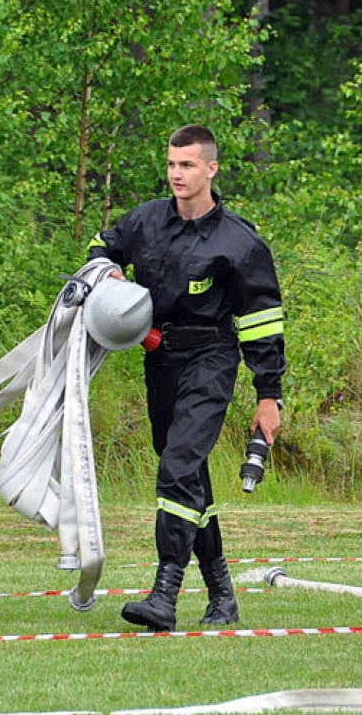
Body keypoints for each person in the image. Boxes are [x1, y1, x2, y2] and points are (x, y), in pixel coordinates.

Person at [86, 124, 286, 631]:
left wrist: (269, 396)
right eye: (172, 164)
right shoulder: (146, 221)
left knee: (177, 469)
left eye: (188, 165)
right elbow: (101, 246)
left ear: (211, 169)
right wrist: (106, 269)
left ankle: (165, 594)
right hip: (159, 360)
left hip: (211, 361)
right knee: (188, 476)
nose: (177, 174)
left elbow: (263, 324)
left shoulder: (239, 242)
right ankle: (221, 593)